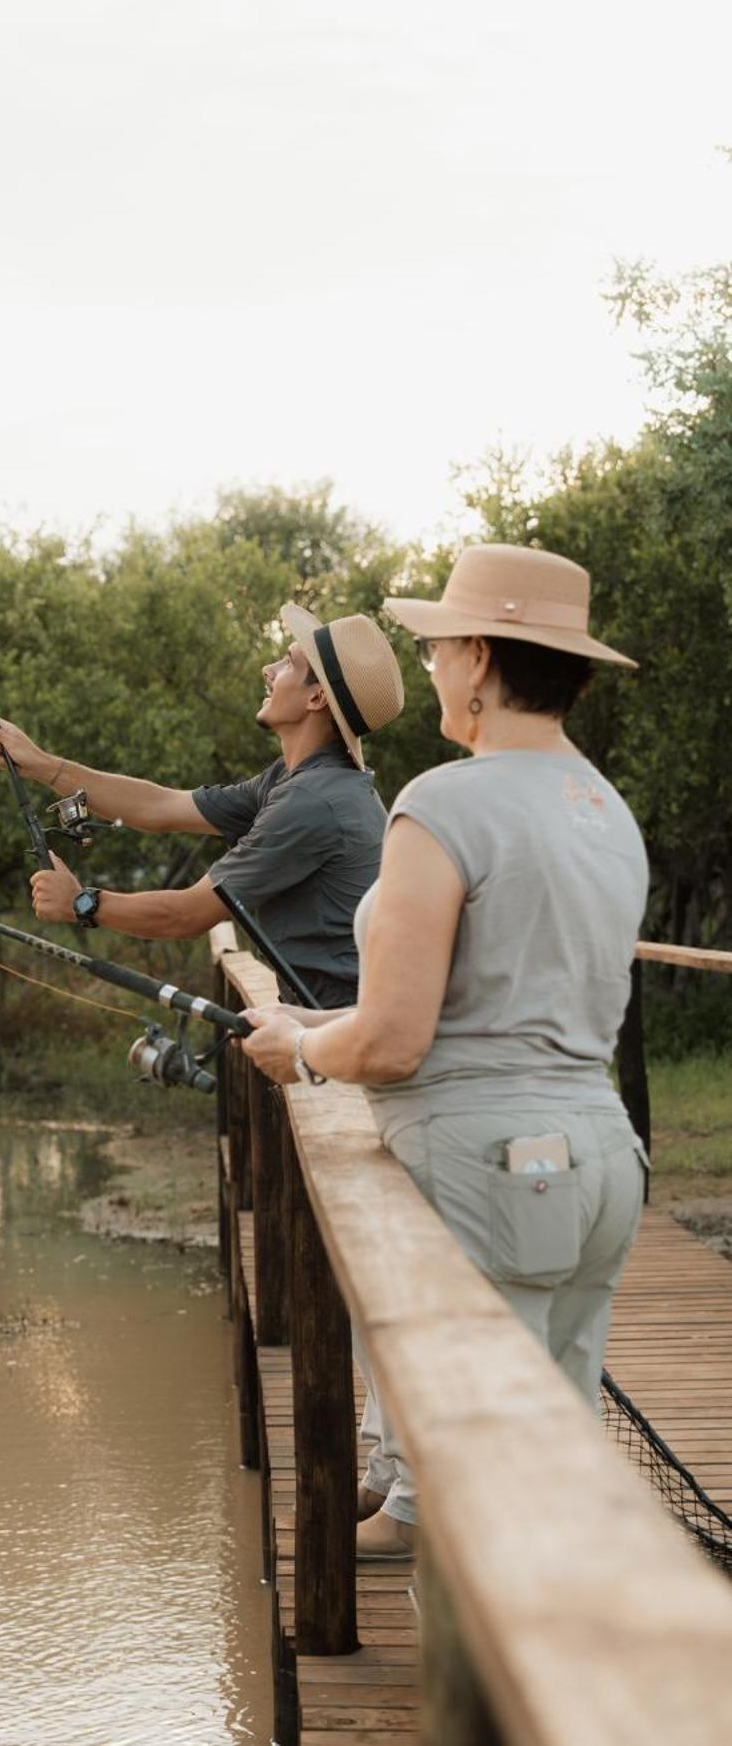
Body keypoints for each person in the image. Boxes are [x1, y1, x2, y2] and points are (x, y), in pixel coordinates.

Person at [241, 543, 648, 1562]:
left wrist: (301, 1047)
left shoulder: (446, 802)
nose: (427, 666)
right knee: (554, 1445)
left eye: (435, 647)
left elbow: (389, 1036)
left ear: (476, 657)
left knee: (476, 1479)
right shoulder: (607, 810)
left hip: (492, 1165)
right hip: (596, 1158)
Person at [0, 606, 403, 1005]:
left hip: (349, 1045)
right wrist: (42, 765)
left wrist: (82, 903)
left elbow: (188, 915)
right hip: (337, 1030)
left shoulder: (312, 801)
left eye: (289, 662)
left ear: (316, 699)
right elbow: (162, 807)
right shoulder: (294, 779)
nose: (268, 670)